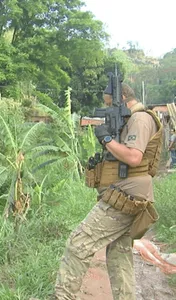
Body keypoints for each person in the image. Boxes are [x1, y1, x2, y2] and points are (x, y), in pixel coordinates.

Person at [54, 83, 163, 300]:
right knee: (119, 256)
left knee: (79, 243)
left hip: (125, 198)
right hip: (125, 195)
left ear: (122, 97)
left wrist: (107, 140)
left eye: (111, 104)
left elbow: (133, 157)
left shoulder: (140, 119)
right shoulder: (130, 120)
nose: (109, 108)